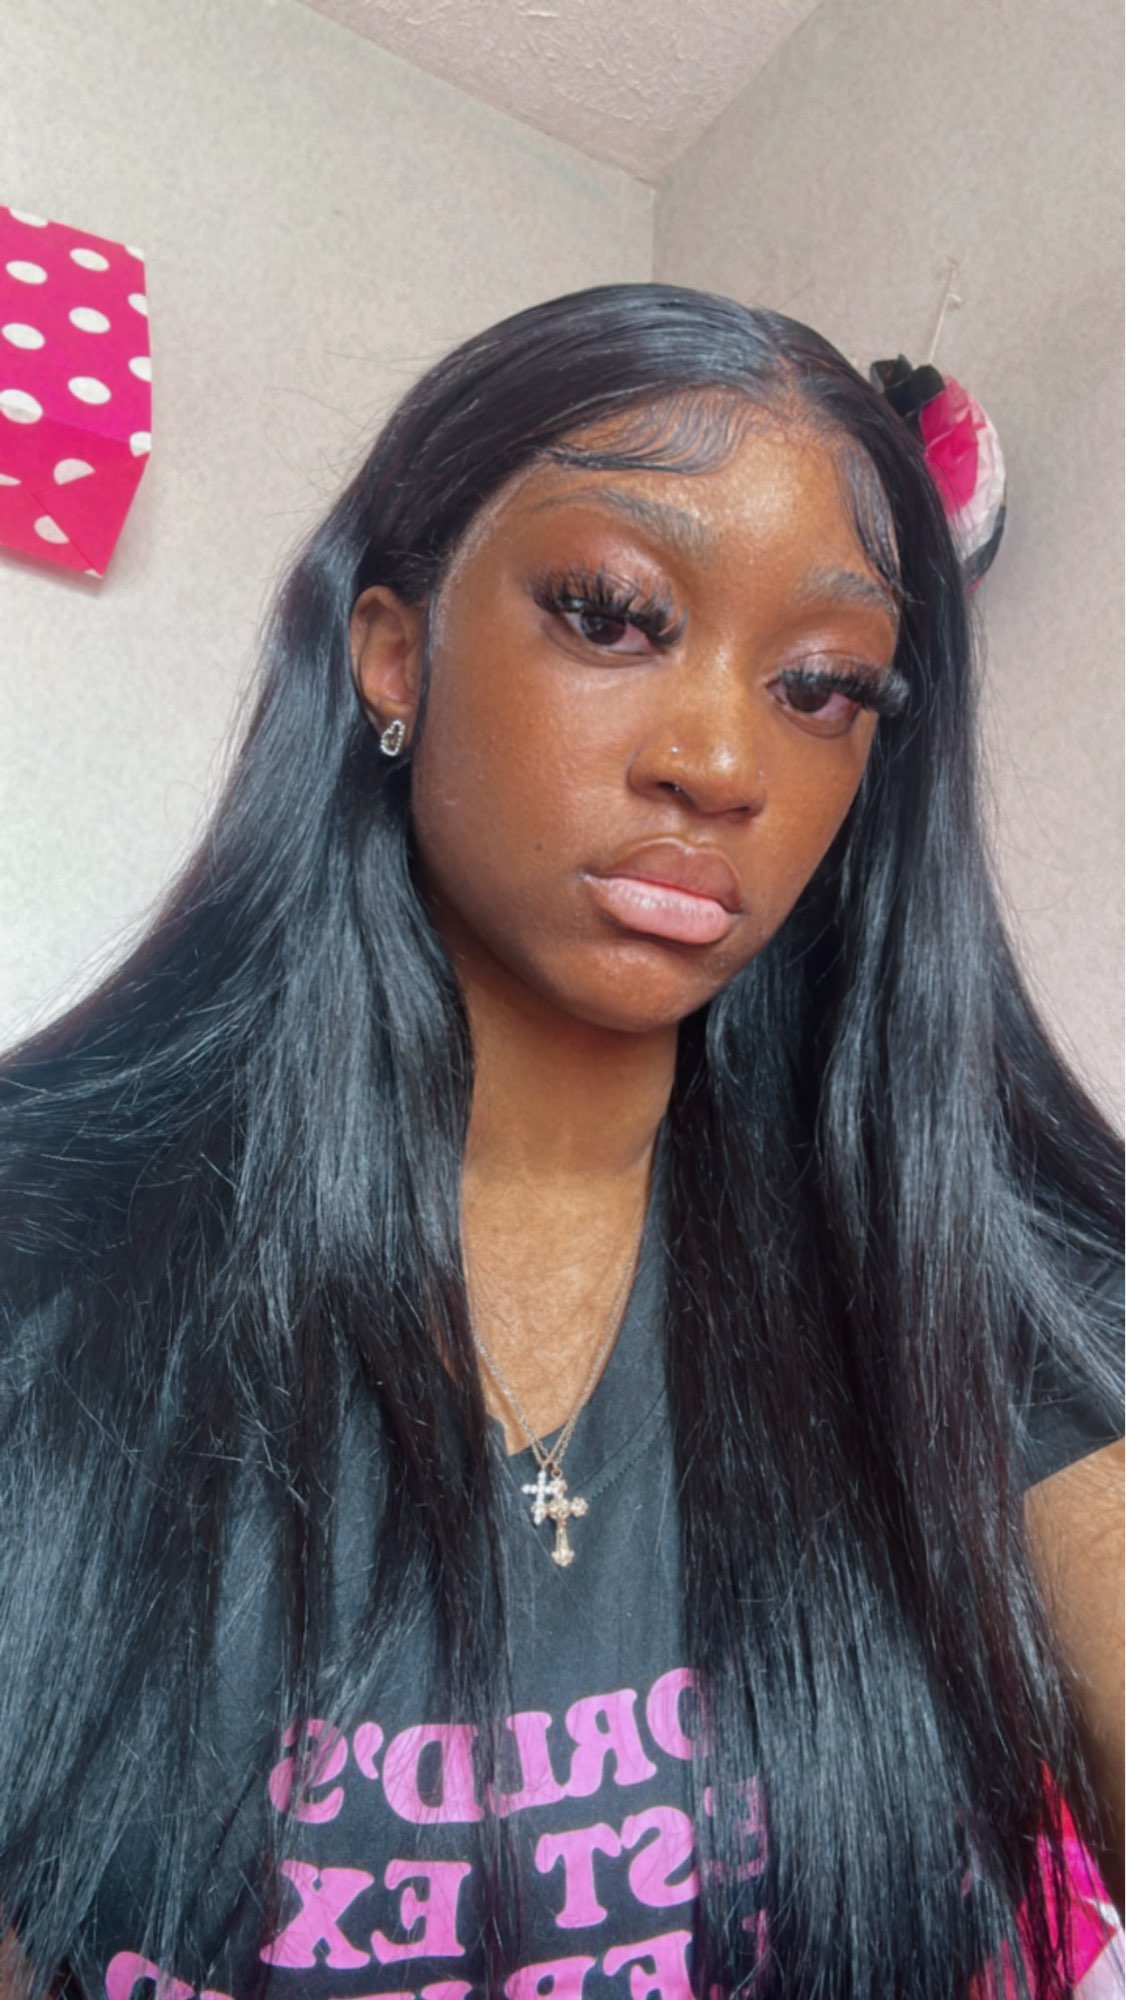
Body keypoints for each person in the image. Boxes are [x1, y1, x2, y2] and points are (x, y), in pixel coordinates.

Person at [0, 285, 1122, 2000]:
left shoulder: (948, 1252)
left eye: (823, 688)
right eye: (610, 615)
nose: (722, 761)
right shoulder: (49, 1236)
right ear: (394, 649)